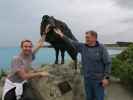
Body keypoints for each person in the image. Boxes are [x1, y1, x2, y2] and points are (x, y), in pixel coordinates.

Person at [54, 29, 111, 100]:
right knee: (89, 97)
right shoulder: (83, 47)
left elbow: (108, 63)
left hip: (98, 80)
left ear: (94, 38)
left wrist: (106, 78)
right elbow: (71, 42)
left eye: (88, 37)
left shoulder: (101, 48)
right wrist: (62, 35)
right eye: (85, 37)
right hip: (87, 79)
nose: (86, 39)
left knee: (99, 98)